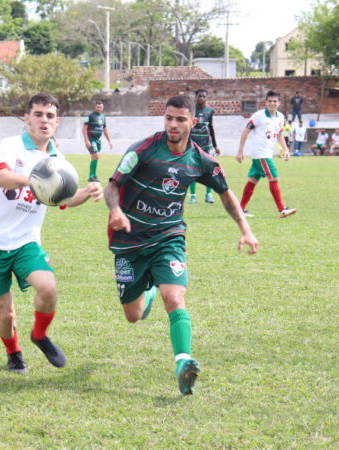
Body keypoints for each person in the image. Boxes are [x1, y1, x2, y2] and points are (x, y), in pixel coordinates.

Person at [105, 95, 258, 396]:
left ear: (193, 121)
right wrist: (115, 210)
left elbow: (227, 196)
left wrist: (246, 229)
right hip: (129, 240)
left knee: (175, 298)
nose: (173, 125)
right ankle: (148, 293)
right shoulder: (143, 150)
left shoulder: (202, 161)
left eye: (180, 119)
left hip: (169, 236)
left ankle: (183, 362)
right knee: (132, 315)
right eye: (169, 118)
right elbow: (112, 186)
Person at [0, 92, 103, 374]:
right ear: (27, 118)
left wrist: (87, 192)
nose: (44, 120)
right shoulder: (10, 146)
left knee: (48, 287)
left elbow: (64, 198)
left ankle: (39, 335)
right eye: (38, 114)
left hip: (25, 241)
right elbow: (1, 178)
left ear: (58, 122)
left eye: (50, 116)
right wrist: (38, 180)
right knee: (7, 314)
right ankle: (13, 352)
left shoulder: (58, 159)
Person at [236, 90, 297, 218]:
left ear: (279, 103)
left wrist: (286, 150)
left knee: (252, 180)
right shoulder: (258, 116)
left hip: (267, 153)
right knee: (274, 178)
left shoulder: (280, 117)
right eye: (269, 101)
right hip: (260, 154)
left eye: (275, 101)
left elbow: (280, 135)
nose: (272, 103)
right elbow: (245, 132)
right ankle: (282, 209)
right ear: (265, 102)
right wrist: (240, 150)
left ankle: (240, 209)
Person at [188, 89, 221, 204]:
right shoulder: (191, 111)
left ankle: (208, 195)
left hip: (207, 146)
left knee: (210, 169)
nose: (201, 98)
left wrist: (215, 146)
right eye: (199, 96)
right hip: (193, 145)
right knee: (192, 170)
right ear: (195, 97)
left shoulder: (210, 111)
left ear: (206, 98)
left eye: (203, 96)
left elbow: (211, 128)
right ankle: (192, 196)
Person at [82, 100, 113, 182]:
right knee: (96, 156)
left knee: (94, 157)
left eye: (101, 107)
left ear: (103, 108)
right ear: (94, 107)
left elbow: (105, 129)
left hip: (98, 140)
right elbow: (84, 128)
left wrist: (109, 141)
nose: (99, 108)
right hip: (91, 140)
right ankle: (92, 176)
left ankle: (93, 176)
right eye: (98, 107)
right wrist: (86, 140)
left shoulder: (103, 116)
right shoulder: (90, 116)